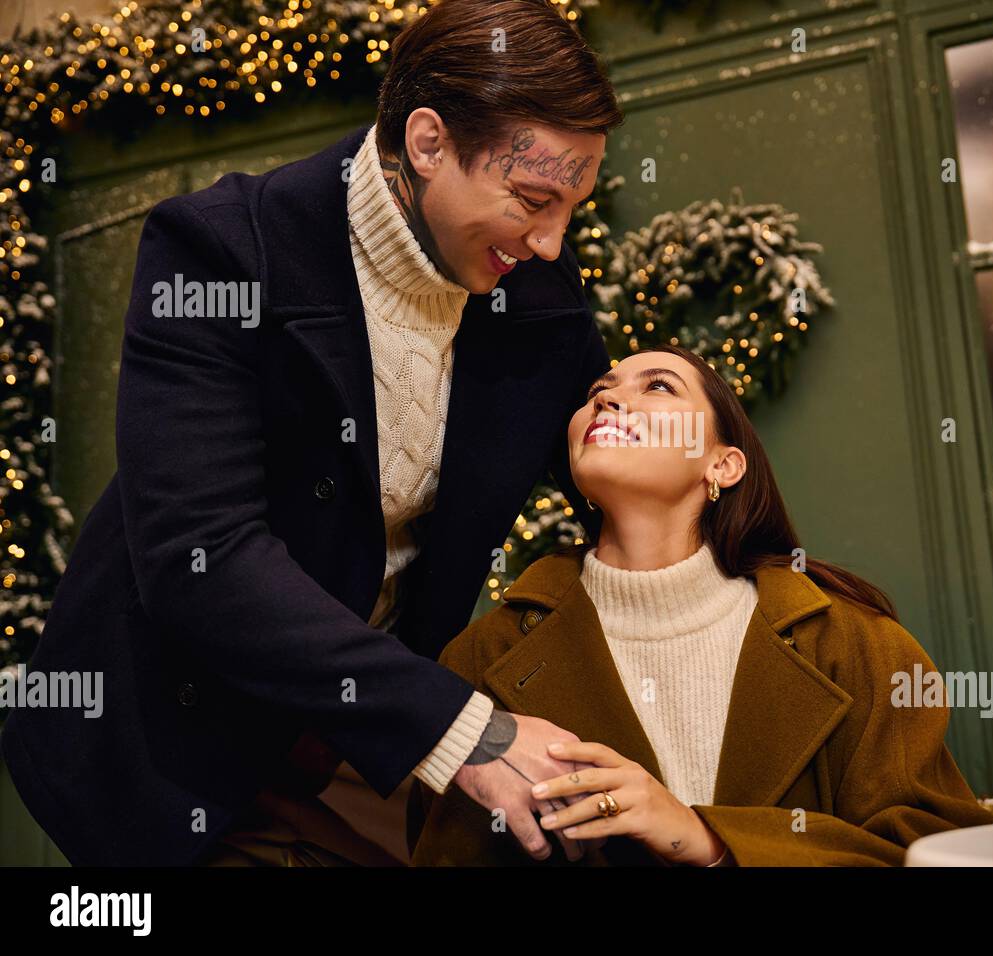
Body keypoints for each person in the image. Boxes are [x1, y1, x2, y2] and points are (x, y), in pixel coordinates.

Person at [1, 0, 625, 866]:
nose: (555, 242)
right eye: (531, 199)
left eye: (575, 207)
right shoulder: (220, 251)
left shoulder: (535, 291)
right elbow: (204, 557)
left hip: (364, 736)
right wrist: (462, 731)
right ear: (429, 142)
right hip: (172, 741)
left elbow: (620, 478)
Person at [410, 346, 993, 866]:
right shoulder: (483, 658)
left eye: (658, 386)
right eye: (598, 392)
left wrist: (709, 839)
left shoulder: (857, 644)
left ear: (723, 464)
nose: (609, 402)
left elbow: (934, 852)